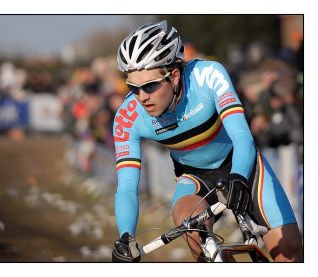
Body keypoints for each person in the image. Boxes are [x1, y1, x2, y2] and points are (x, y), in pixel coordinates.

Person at [110, 20, 303, 262]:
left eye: (150, 85)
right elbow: (127, 187)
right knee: (196, 236)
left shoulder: (207, 76)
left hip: (243, 165)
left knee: (290, 252)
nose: (142, 97)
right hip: (195, 177)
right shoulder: (127, 117)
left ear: (175, 76)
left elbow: (242, 136)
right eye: (133, 88)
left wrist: (240, 176)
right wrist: (125, 235)